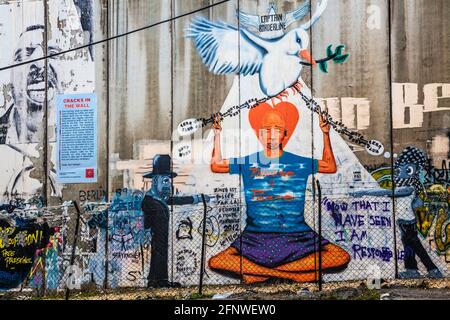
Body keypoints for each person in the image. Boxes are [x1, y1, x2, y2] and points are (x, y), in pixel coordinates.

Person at [208, 106, 351, 283]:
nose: (271, 135)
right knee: (216, 261)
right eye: (266, 130)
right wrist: (217, 134)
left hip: (297, 235)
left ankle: (261, 273)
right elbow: (216, 165)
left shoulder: (298, 161)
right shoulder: (248, 161)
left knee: (341, 256)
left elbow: (329, 166)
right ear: (260, 134)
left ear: (284, 134)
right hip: (255, 237)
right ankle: (292, 275)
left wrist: (325, 133)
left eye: (276, 130)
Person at [353, 147, 443, 279]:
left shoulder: (409, 188)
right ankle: (412, 270)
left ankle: (433, 270)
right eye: (400, 169)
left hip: (408, 223)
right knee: (409, 246)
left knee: (417, 247)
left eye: (407, 169)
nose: (401, 172)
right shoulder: (403, 186)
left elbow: (388, 192)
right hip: (402, 222)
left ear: (415, 171)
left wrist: (364, 192)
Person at [141, 154, 211, 288]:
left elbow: (176, 200)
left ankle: (158, 280)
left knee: (161, 252)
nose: (169, 185)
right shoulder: (150, 201)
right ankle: (158, 281)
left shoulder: (160, 198)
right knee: (159, 252)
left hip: (160, 237)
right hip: (154, 236)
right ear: (155, 181)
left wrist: (197, 198)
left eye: (169, 181)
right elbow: (146, 221)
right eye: (165, 181)